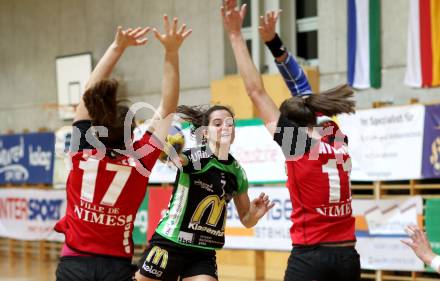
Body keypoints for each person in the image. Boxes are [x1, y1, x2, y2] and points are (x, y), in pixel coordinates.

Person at [222, 1, 360, 280]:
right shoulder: (333, 134)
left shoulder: (298, 146)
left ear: (289, 125)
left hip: (312, 257)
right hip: (348, 256)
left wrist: (236, 35)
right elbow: (304, 94)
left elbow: (256, 92)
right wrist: (275, 44)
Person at [54, 15, 192, 281]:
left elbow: (88, 93)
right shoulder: (139, 160)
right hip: (115, 267)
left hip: (74, 263)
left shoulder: (81, 151)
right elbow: (168, 106)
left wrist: (116, 48)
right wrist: (171, 52)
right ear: (132, 134)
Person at [135, 104, 275, 281]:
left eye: (229, 124)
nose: (225, 127)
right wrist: (168, 150)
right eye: (217, 124)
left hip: (204, 250)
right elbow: (178, 160)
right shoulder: (195, 157)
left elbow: (246, 220)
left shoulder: (237, 172)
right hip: (171, 242)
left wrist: (254, 215)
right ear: (206, 133)